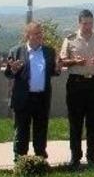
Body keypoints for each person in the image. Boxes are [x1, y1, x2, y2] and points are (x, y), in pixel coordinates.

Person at [59, 9, 94, 167]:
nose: (88, 26)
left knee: (93, 122)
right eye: (85, 23)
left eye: (91, 23)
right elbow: (62, 61)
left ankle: (92, 156)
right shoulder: (70, 39)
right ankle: (75, 157)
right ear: (79, 23)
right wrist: (74, 61)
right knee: (76, 122)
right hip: (76, 83)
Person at [5, 21, 60, 162]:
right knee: (21, 130)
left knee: (41, 130)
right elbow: (8, 73)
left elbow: (53, 71)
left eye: (40, 33)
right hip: (23, 97)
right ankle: (20, 161)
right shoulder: (16, 51)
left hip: (42, 97)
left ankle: (40, 159)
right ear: (27, 35)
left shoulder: (49, 51)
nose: (38, 36)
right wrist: (14, 69)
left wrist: (57, 69)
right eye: (35, 33)